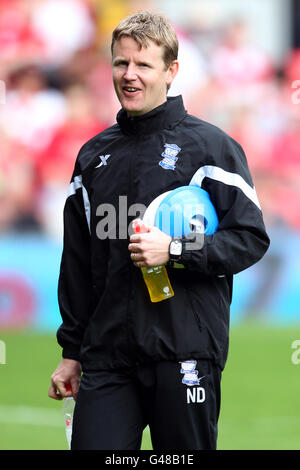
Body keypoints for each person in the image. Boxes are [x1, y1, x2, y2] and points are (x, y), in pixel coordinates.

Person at [48, 11, 270, 450]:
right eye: (120, 63)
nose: (129, 75)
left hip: (184, 351)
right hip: (108, 357)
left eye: (143, 65)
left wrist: (175, 249)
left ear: (171, 71)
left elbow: (250, 239)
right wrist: (72, 352)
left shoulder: (213, 149)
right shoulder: (93, 157)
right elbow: (76, 263)